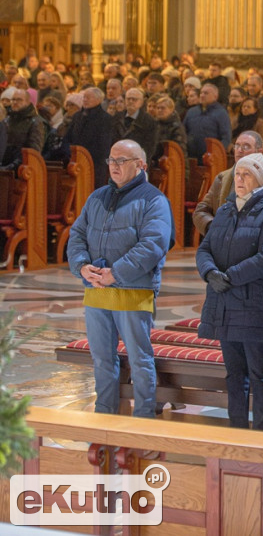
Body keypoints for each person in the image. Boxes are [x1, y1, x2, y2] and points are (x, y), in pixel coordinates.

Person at [66, 139, 174, 418]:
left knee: (139, 359)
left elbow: (153, 245)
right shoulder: (97, 197)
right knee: (102, 359)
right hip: (97, 289)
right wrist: (82, 267)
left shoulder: (154, 200)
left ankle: (144, 418)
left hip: (132, 290)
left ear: (140, 165)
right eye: (111, 160)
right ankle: (105, 415)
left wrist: (117, 273)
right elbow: (77, 235)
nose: (114, 166)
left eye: (121, 161)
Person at [195, 153, 263, 430]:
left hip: (253, 304)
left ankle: (260, 436)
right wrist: (210, 273)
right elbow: (204, 249)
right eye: (237, 174)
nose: (239, 179)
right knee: (234, 374)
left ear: (260, 178)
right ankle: (236, 432)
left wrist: (231, 277)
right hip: (224, 302)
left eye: (246, 174)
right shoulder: (225, 210)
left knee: (259, 373)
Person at [193, 131, 263, 236]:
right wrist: (213, 226)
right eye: (237, 146)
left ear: (259, 152)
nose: (240, 150)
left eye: (246, 147)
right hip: (220, 242)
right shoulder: (221, 178)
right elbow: (200, 211)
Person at [183, 83, 231, 161]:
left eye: (206, 93)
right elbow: (183, 132)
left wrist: (216, 153)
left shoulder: (221, 113)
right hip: (191, 157)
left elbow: (226, 138)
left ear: (215, 96)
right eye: (201, 93)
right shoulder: (192, 111)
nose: (202, 95)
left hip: (211, 159)